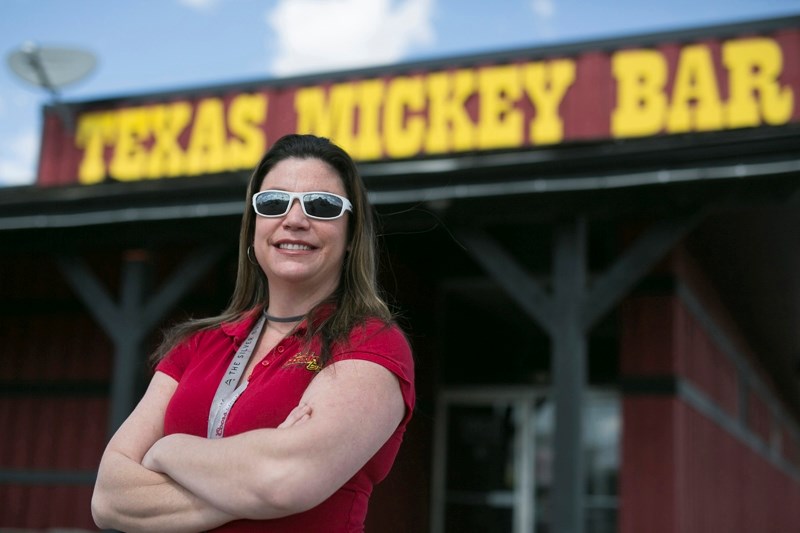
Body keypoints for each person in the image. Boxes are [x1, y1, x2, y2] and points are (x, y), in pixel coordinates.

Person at [91, 134, 415, 532]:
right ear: (254, 225)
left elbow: (283, 482)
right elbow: (108, 498)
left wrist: (166, 450)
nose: (294, 219)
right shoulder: (196, 345)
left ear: (351, 235)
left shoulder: (371, 342)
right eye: (274, 203)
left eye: (322, 206)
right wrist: (251, 484)